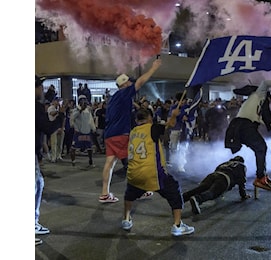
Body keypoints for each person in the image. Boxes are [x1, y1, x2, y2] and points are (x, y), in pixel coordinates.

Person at [121, 108, 195, 237]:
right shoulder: (151, 128)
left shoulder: (133, 131)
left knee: (130, 194)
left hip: (133, 173)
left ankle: (126, 219)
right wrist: (174, 115)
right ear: (149, 118)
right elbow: (170, 125)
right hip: (152, 172)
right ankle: (177, 226)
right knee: (175, 191)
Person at [99, 58, 162, 203]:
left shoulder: (114, 98)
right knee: (134, 161)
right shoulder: (124, 93)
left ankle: (104, 193)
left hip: (110, 135)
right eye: (129, 82)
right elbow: (140, 82)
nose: (131, 84)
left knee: (110, 163)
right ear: (124, 84)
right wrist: (153, 68)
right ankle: (141, 190)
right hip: (121, 134)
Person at [224, 80, 271, 191]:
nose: (269, 104)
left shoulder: (256, 104)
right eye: (270, 101)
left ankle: (262, 175)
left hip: (241, 126)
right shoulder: (259, 94)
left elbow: (260, 118)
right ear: (267, 97)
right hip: (243, 125)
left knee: (260, 148)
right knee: (261, 148)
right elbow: (265, 82)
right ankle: (260, 177)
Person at [35, 75, 64, 244]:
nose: (42, 90)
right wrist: (60, 116)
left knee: (38, 183)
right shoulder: (35, 106)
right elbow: (47, 127)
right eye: (40, 87)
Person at [182, 156, 251, 215]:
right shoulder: (242, 166)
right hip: (225, 178)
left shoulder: (225, 163)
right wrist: (243, 195)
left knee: (200, 188)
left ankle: (182, 197)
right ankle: (198, 199)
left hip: (212, 175)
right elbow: (242, 181)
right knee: (212, 193)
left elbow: (216, 169)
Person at [70, 95, 97, 167]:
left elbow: (90, 120)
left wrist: (93, 128)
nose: (84, 102)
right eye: (82, 100)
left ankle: (90, 161)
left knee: (89, 148)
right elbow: (73, 118)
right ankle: (73, 161)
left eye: (85, 100)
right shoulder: (76, 110)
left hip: (87, 131)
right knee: (74, 147)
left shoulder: (88, 110)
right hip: (79, 132)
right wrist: (80, 110)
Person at [47, 96, 65, 162]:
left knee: (60, 143)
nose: (58, 102)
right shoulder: (51, 108)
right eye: (57, 101)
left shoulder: (60, 108)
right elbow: (52, 114)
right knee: (54, 143)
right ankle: (53, 157)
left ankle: (58, 156)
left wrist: (62, 128)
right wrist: (58, 111)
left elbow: (63, 118)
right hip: (53, 127)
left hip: (60, 127)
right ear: (54, 101)